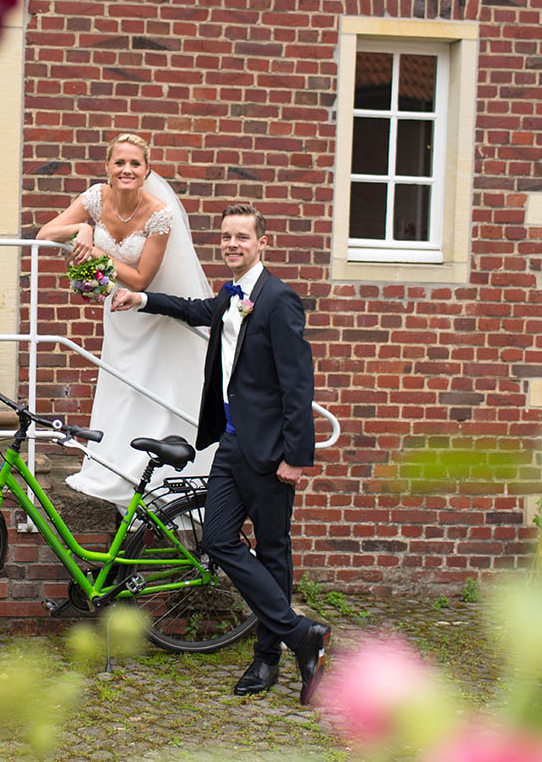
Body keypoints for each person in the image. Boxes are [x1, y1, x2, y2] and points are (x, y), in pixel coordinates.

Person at [109, 203, 328, 705]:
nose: (232, 244)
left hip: (270, 452)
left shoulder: (278, 299)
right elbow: (193, 311)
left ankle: (268, 656)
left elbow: (299, 385)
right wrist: (141, 298)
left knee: (273, 552)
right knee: (221, 540)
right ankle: (302, 634)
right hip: (229, 446)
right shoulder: (229, 296)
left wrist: (297, 456)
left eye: (242, 237)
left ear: (261, 243)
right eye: (226, 237)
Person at [35, 133, 214, 513]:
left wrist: (96, 251)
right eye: (120, 163)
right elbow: (45, 233)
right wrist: (81, 229)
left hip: (152, 311)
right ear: (108, 167)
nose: (127, 169)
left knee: (156, 385)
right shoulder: (95, 198)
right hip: (119, 313)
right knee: (119, 379)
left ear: (147, 169)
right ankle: (111, 465)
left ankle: (157, 475)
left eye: (135, 163)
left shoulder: (160, 214)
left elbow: (139, 278)